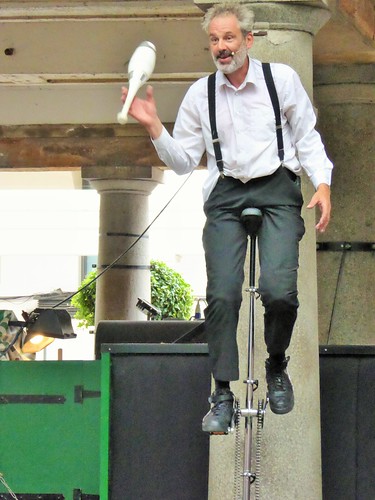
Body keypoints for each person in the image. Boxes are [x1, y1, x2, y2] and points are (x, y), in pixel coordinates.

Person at [121, 2, 332, 434]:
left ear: (248, 40)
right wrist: (152, 126)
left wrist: (323, 183)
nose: (222, 47)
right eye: (215, 40)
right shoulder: (201, 94)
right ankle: (221, 392)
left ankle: (276, 364)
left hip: (276, 188)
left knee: (279, 291)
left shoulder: (281, 80)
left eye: (229, 38)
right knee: (221, 295)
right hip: (226, 193)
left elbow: (307, 136)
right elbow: (183, 162)